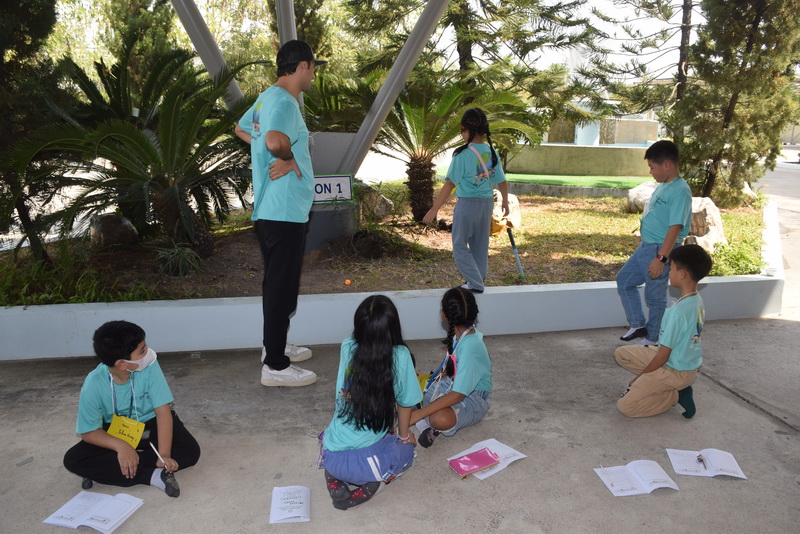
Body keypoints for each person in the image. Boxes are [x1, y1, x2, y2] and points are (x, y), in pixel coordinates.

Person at [235, 40, 327, 387]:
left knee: (277, 285)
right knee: (281, 288)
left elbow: (241, 129)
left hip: (272, 208)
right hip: (284, 210)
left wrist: (266, 152)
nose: (313, 75)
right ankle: (275, 366)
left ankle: (273, 345)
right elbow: (274, 140)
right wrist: (285, 157)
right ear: (302, 65)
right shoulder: (286, 103)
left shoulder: (266, 98)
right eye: (313, 68)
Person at [63, 321, 200, 497]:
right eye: (142, 351)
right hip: (115, 430)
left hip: (151, 423)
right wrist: (122, 447)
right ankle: (152, 475)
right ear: (122, 364)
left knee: (190, 451)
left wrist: (164, 455)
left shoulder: (150, 366)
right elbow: (89, 433)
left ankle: (110, 467)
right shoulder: (93, 383)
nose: (148, 353)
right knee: (73, 460)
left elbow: (163, 413)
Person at [321, 295, 421, 510]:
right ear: (392, 328)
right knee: (407, 453)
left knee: (374, 437)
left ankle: (333, 476)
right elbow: (405, 403)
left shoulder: (347, 346)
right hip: (366, 463)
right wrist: (405, 438)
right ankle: (371, 485)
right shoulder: (400, 355)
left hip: (330, 452)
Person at [615, 244, 713, 418]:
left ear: (682, 274)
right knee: (622, 354)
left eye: (671, 268)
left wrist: (641, 377)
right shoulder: (695, 299)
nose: (669, 272)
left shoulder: (678, 313)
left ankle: (675, 395)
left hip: (677, 371)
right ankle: (660, 383)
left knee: (626, 406)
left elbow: (663, 356)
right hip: (678, 361)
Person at [423, 108, 509, 293]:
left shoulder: (462, 154)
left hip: (467, 204)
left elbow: (449, 184)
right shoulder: (491, 152)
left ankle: (475, 283)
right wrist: (505, 202)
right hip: (487, 204)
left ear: (465, 129)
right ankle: (478, 279)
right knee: (480, 244)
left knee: (460, 245)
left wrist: (434, 209)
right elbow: (502, 181)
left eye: (461, 130)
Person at [617, 139, 693, 345]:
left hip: (660, 250)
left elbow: (675, 227)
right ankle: (638, 325)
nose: (650, 172)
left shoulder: (680, 191)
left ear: (666, 164)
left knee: (655, 297)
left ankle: (653, 339)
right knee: (624, 280)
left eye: (652, 167)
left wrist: (661, 258)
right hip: (647, 248)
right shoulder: (665, 185)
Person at [410, 286, 492, 448]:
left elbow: (458, 395)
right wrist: (428, 378)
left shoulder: (470, 347)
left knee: (440, 419)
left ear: (444, 316)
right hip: (451, 386)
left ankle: (423, 420)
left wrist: (418, 414)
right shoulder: (462, 336)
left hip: (471, 398)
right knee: (404, 382)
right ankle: (423, 417)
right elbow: (451, 366)